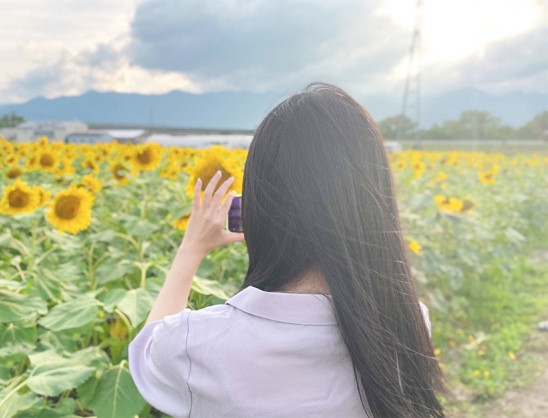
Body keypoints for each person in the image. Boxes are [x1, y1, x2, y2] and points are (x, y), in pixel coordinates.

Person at [128, 83, 447, 417]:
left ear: (257, 211)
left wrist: (190, 249)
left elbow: (147, 351)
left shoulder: (199, 345)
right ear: (376, 208)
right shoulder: (409, 323)